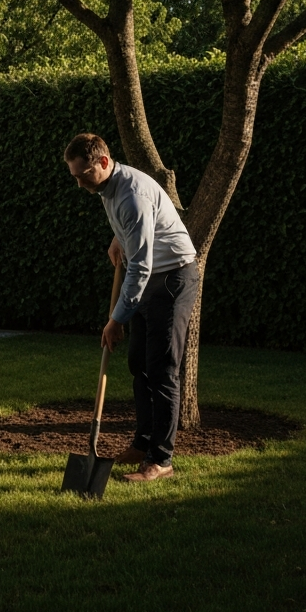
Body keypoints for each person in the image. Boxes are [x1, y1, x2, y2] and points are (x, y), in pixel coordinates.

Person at [64, 133, 200, 483]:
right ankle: (142, 443)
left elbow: (139, 266)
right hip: (151, 276)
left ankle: (161, 460)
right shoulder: (110, 188)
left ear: (104, 163)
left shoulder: (131, 196)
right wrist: (118, 238)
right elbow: (136, 230)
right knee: (138, 363)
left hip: (172, 279)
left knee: (161, 370)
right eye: (74, 176)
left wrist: (115, 320)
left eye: (83, 175)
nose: (79, 184)